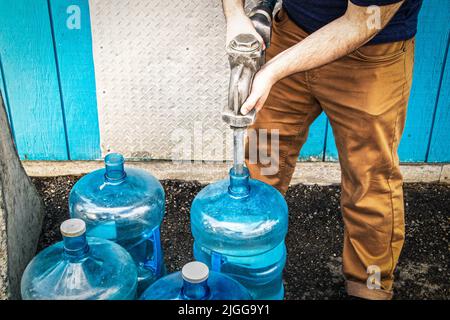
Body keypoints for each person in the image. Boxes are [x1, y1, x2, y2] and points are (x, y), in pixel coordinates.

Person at [222, 0, 423, 300]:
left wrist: (274, 69)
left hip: (371, 49)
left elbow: (362, 22)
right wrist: (236, 15)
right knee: (264, 160)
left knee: (369, 182)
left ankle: (369, 286)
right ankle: (247, 275)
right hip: (291, 30)